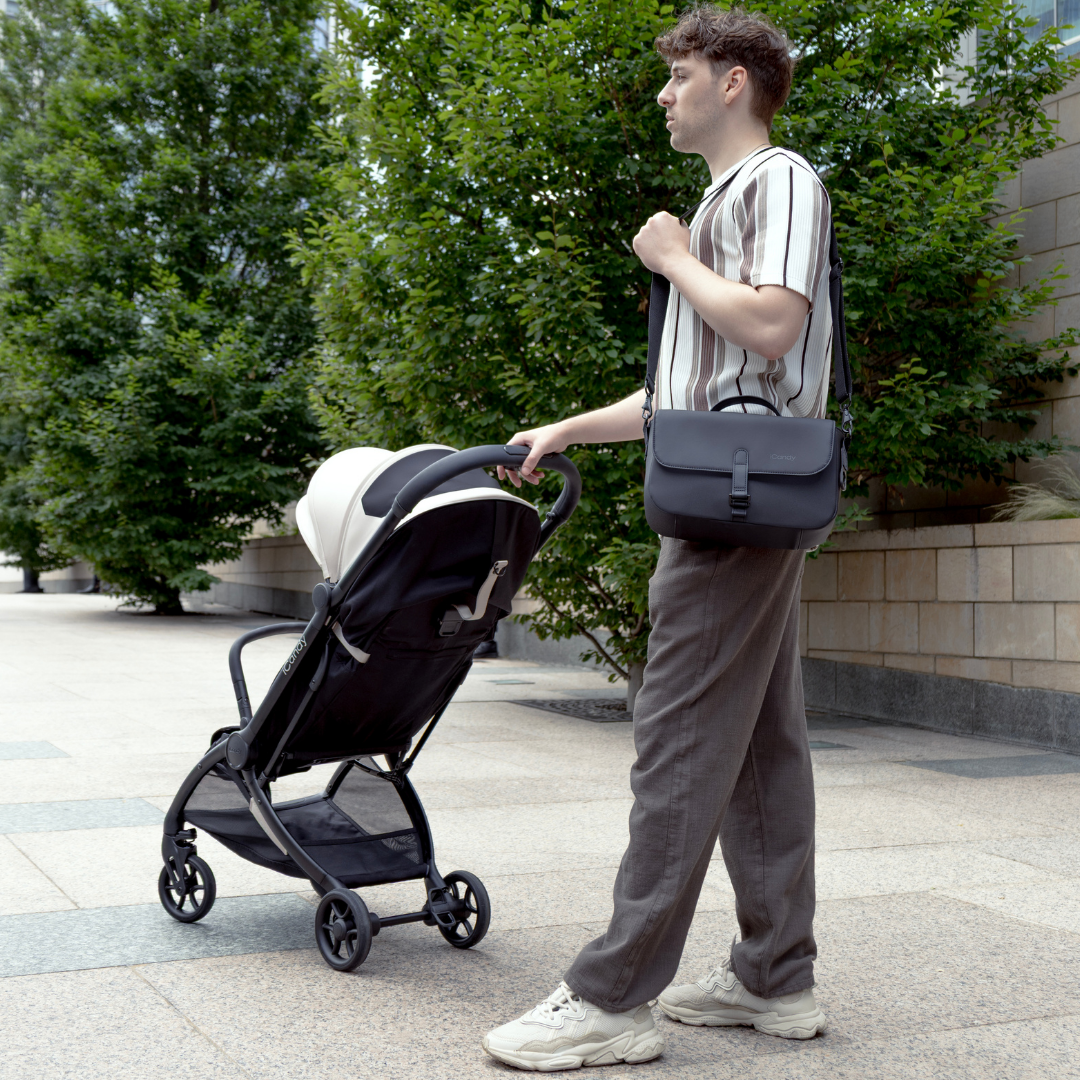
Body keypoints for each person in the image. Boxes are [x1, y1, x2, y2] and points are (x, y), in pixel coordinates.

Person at [481, 4, 834, 1072]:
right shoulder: (728, 201)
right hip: (738, 489)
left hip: (731, 511)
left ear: (734, 82)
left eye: (680, 76)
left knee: (677, 741)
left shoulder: (777, 181)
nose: (665, 95)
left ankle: (613, 995)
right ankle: (775, 976)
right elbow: (688, 393)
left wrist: (674, 258)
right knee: (762, 746)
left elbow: (772, 324)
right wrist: (567, 428)